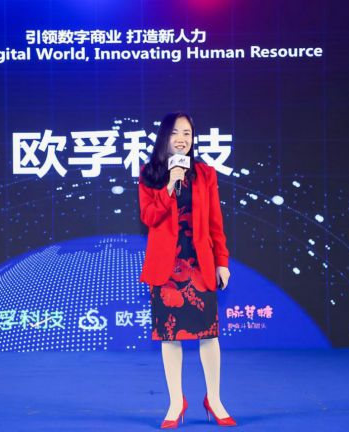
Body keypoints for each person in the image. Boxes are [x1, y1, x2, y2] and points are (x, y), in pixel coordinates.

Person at [139, 112, 237, 428]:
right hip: (166, 267)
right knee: (170, 336)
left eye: (187, 133)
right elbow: (148, 217)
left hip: (199, 265)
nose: (182, 139)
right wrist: (169, 184)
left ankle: (214, 399)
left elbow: (215, 222)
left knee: (209, 335)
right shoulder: (150, 174)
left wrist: (222, 262)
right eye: (176, 133)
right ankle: (175, 401)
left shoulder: (205, 174)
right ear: (165, 138)